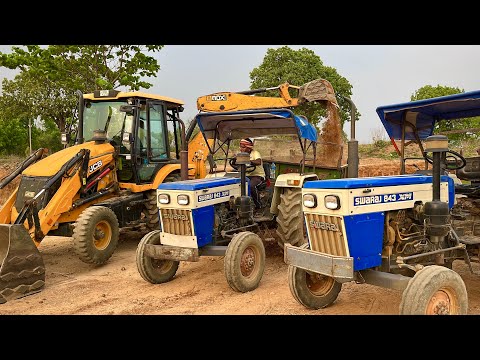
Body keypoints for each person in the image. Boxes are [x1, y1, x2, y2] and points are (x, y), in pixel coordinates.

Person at [239, 138, 266, 209]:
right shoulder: (241, 155)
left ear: (248, 148)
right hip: (246, 176)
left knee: (251, 186)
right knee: (236, 184)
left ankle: (259, 206)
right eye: (240, 147)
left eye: (243, 147)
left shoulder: (255, 153)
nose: (241, 149)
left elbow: (258, 161)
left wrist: (247, 160)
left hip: (257, 176)